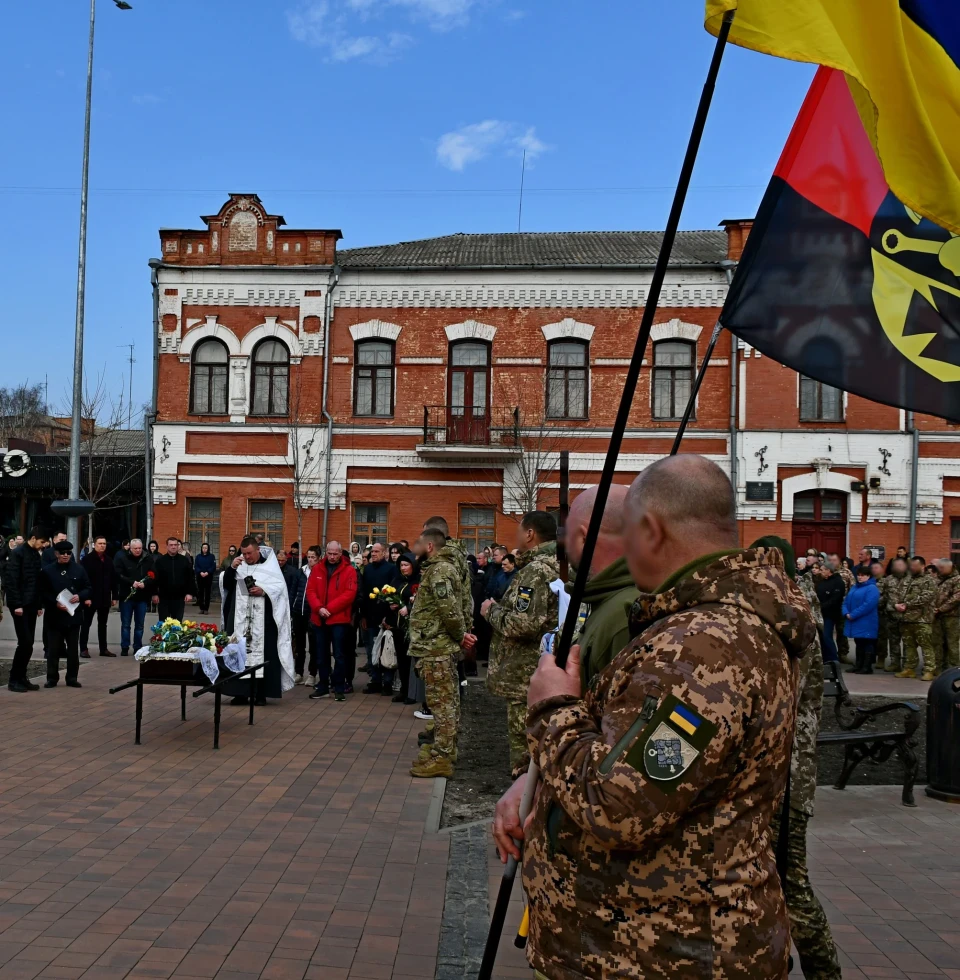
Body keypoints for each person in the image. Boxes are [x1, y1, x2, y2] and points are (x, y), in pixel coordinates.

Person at [495, 455, 813, 980]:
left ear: (649, 530)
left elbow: (619, 805)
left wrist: (551, 708)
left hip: (663, 952)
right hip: (638, 942)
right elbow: (627, 754)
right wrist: (538, 781)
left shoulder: (705, 648)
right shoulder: (698, 627)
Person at [753, 536, 842, 980]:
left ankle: (825, 972)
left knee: (791, 884)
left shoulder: (792, 610)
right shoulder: (795, 601)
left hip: (786, 772)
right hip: (786, 769)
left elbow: (779, 691)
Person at [481, 511, 559, 777]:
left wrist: (491, 611)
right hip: (548, 668)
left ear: (530, 534)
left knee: (523, 746)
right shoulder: (562, 564)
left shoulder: (535, 572)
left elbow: (524, 624)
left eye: (519, 531)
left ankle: (521, 804)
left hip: (525, 672)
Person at [407, 527, 466, 778]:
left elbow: (450, 611)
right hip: (433, 647)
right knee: (443, 703)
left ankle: (442, 757)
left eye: (419, 542)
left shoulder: (440, 570)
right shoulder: (436, 568)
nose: (415, 547)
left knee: (442, 705)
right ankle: (444, 751)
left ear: (430, 546)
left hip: (437, 648)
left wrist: (461, 636)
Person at [221, 536, 297, 705]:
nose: (247, 557)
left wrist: (263, 591)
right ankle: (240, 693)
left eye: (249, 553)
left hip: (264, 623)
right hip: (240, 622)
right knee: (240, 654)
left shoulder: (270, 567)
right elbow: (226, 585)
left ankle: (260, 694)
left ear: (257, 550)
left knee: (263, 656)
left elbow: (280, 590)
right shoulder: (239, 566)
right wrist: (231, 569)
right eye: (244, 554)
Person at [306, 540, 357, 701]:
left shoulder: (349, 570)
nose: (333, 556)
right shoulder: (317, 569)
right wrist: (319, 608)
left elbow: (349, 594)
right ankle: (322, 685)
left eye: (335, 554)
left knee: (340, 655)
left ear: (341, 553)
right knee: (321, 654)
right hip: (319, 618)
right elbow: (311, 591)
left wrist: (329, 609)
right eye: (330, 553)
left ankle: (339, 687)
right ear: (325, 553)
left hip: (339, 619)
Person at [5, 526, 51, 692]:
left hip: (31, 604)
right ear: (33, 538)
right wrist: (16, 604)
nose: (44, 545)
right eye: (42, 542)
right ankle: (13, 679)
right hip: (20, 606)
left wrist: (39, 605)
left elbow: (36, 581)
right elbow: (11, 580)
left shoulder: (34, 554)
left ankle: (22, 677)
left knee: (29, 643)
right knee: (24, 642)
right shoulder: (18, 553)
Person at [40, 540, 90, 688]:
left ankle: (72, 677)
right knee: (53, 649)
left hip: (73, 616)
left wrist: (80, 596)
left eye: (68, 553)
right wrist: (54, 602)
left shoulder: (79, 570)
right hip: (54, 616)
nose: (66, 555)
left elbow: (88, 587)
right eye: (62, 553)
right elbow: (43, 592)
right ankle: (52, 678)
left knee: (73, 649)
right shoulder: (48, 571)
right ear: (56, 554)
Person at [359, 542, 402, 694]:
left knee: (386, 648)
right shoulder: (368, 569)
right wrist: (363, 615)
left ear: (385, 553)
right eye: (372, 552)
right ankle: (375, 680)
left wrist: (389, 617)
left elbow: (393, 594)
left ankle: (388, 683)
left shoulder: (391, 569)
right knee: (372, 649)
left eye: (377, 551)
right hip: (370, 616)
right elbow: (363, 593)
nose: (374, 554)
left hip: (386, 617)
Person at [896, 556, 937, 679]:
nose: (912, 568)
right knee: (909, 645)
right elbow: (898, 593)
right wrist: (896, 604)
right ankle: (909, 668)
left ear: (922, 566)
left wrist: (906, 604)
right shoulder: (907, 579)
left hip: (922, 619)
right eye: (911, 566)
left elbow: (926, 597)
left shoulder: (929, 580)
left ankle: (929, 670)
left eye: (915, 566)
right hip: (906, 618)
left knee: (926, 645)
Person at [114, 538, 156, 656]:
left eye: (139, 548)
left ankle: (137, 646)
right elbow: (118, 575)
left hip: (142, 597)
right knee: (126, 624)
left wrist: (145, 583)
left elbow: (153, 575)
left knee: (140, 624)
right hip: (126, 596)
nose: (138, 550)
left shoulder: (148, 559)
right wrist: (131, 582)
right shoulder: (123, 558)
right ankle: (124, 647)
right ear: (130, 548)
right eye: (135, 548)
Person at [80, 536, 118, 658]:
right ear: (94, 544)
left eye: (104, 543)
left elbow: (113, 579)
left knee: (103, 624)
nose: (102, 545)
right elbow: (83, 580)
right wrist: (85, 597)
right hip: (90, 598)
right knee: (86, 623)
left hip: (105, 597)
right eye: (100, 543)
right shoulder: (87, 559)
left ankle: (103, 649)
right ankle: (83, 648)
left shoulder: (108, 560)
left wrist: (114, 596)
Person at [843, 565, 881, 673]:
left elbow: (868, 605)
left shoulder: (872, 588)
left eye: (863, 575)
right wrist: (846, 612)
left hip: (866, 621)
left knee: (867, 643)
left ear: (868, 576)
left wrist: (853, 614)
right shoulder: (855, 587)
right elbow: (846, 601)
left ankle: (867, 666)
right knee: (858, 642)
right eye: (858, 575)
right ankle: (858, 665)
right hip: (855, 620)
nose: (860, 577)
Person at [394, 551, 420, 704]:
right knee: (401, 661)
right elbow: (391, 594)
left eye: (406, 565)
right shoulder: (398, 580)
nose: (403, 568)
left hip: (411, 628)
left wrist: (409, 608)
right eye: (401, 565)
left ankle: (412, 692)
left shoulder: (417, 581)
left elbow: (422, 601)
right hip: (398, 626)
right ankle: (403, 690)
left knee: (412, 662)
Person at [292, 545, 320, 685]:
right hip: (299, 611)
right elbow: (294, 591)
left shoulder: (321, 572)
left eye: (313, 557)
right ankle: (298, 672)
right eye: (308, 557)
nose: (310, 560)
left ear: (318, 558)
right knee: (299, 644)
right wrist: (292, 608)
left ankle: (312, 674)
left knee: (313, 645)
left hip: (313, 613)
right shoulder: (301, 572)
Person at [153, 536, 196, 623]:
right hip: (164, 598)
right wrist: (154, 594)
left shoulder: (184, 560)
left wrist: (190, 593)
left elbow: (190, 577)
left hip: (179, 598)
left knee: (177, 624)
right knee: (163, 624)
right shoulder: (160, 561)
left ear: (178, 546)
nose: (173, 547)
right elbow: (154, 579)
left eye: (175, 545)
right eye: (171, 545)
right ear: (167, 546)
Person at [881, 557, 910, 672]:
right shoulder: (888, 579)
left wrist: (905, 605)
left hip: (907, 615)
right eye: (895, 565)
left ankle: (908, 664)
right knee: (893, 641)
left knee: (908, 642)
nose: (898, 567)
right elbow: (884, 595)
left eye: (900, 565)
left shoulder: (911, 579)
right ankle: (895, 662)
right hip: (892, 615)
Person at [932, 558, 960, 677]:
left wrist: (941, 609)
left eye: (943, 568)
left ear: (950, 567)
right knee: (937, 643)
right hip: (936, 616)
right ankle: (938, 667)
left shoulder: (957, 579)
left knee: (952, 644)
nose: (940, 570)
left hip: (951, 616)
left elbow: (956, 598)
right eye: (940, 568)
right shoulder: (936, 579)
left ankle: (953, 670)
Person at [814, 562, 845, 662]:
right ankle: (826, 657)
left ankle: (833, 658)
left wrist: (822, 607)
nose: (820, 572)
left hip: (831, 614)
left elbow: (835, 599)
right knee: (822, 636)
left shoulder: (838, 582)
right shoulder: (822, 582)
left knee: (827, 636)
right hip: (820, 614)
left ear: (829, 571)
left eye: (822, 570)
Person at [194, 542, 217, 614]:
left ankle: (206, 608)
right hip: (200, 576)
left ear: (208, 549)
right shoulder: (198, 557)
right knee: (200, 592)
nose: (204, 549)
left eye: (206, 548)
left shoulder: (211, 556)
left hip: (208, 576)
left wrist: (207, 572)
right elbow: (196, 565)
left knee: (207, 593)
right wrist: (200, 572)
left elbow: (213, 566)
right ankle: (201, 608)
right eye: (203, 548)